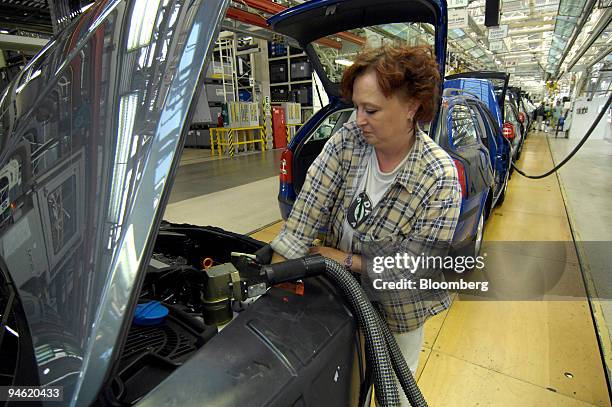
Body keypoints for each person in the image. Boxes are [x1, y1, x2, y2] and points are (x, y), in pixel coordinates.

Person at [270, 44, 461, 405]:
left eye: (370, 110)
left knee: (396, 398)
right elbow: (307, 212)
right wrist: (276, 279)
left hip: (398, 310)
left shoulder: (439, 177)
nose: (358, 119)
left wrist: (340, 259)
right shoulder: (349, 141)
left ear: (412, 107)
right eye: (356, 107)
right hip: (337, 297)